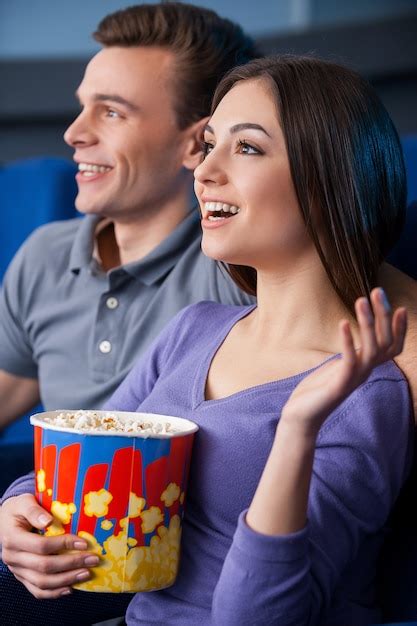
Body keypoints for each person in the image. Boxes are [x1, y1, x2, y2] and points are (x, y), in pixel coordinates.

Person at [1, 56, 413, 626]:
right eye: (210, 143)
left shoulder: (365, 395)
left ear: (329, 181)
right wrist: (16, 509)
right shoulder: (195, 328)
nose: (204, 170)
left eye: (246, 148)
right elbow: (86, 455)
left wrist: (297, 427)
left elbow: (258, 617)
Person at [0, 2, 257, 489]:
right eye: (82, 106)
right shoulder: (44, 257)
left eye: (111, 112)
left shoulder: (239, 268)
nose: (74, 133)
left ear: (196, 145)